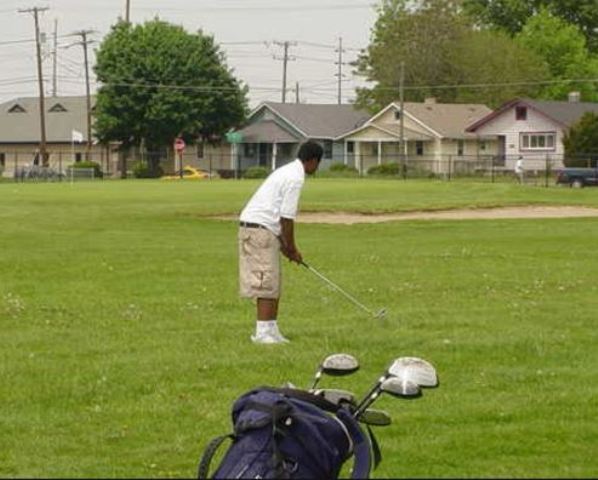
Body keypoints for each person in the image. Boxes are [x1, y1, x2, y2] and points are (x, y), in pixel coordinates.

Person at [238, 140, 323, 344]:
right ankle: (262, 333)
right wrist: (291, 248)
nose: (316, 168)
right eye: (317, 163)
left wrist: (286, 247)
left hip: (264, 228)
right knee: (266, 281)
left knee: (272, 280)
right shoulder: (295, 178)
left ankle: (271, 329)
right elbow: (286, 218)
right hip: (259, 229)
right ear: (312, 161)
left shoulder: (288, 171)